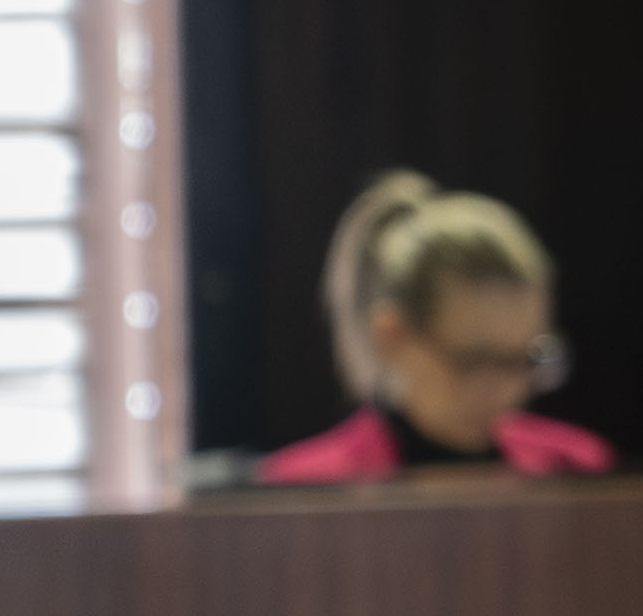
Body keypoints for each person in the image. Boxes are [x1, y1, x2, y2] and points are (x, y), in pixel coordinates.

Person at [259, 171, 610, 483]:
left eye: (527, 359)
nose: (509, 391)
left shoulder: (575, 471)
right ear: (392, 336)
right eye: (477, 361)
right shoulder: (301, 493)